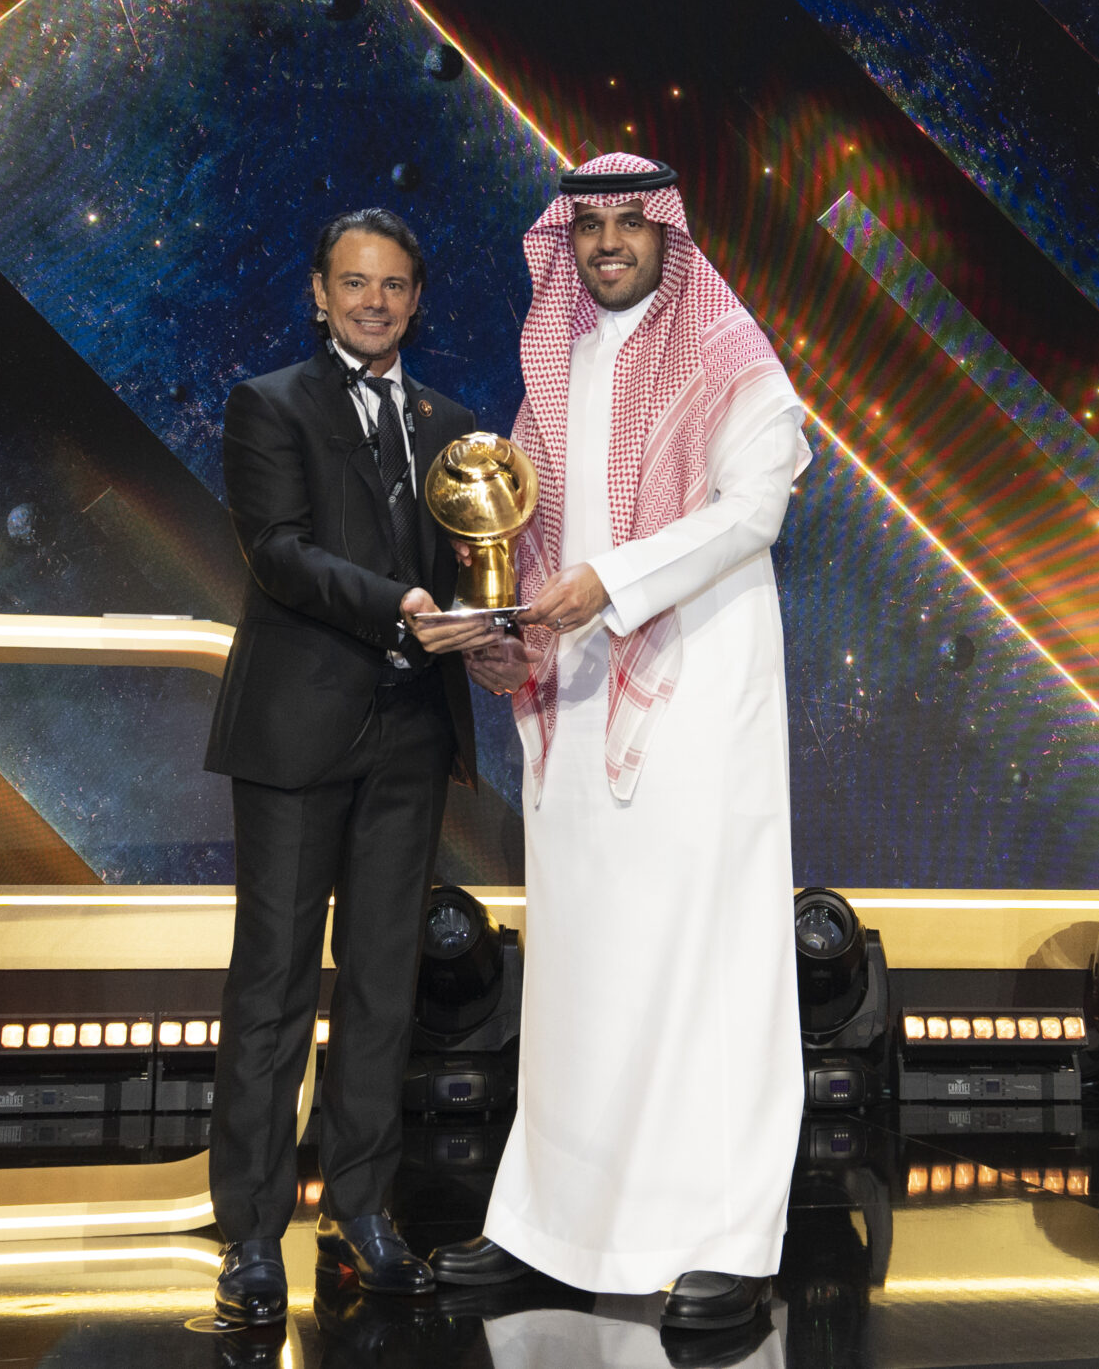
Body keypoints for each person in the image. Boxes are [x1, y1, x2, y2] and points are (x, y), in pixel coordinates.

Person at [439, 153, 811, 1332]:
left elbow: (754, 509)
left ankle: (728, 1240)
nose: (605, 242)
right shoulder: (553, 367)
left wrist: (608, 579)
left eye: (627, 222)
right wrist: (506, 633)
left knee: (708, 958)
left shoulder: (728, 354)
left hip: (695, 683)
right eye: (586, 224)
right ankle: (552, 1228)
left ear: (666, 234)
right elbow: (525, 539)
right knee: (579, 964)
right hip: (578, 693)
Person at [204, 207, 506, 1329]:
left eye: (393, 285)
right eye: (353, 283)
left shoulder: (454, 427)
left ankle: (364, 1208)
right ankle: (249, 1232)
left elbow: (467, 564)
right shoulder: (269, 403)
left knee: (384, 981)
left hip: (410, 735)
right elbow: (278, 553)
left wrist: (487, 617)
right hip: (297, 734)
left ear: (415, 299)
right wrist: (404, 605)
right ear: (319, 294)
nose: (373, 302)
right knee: (274, 982)